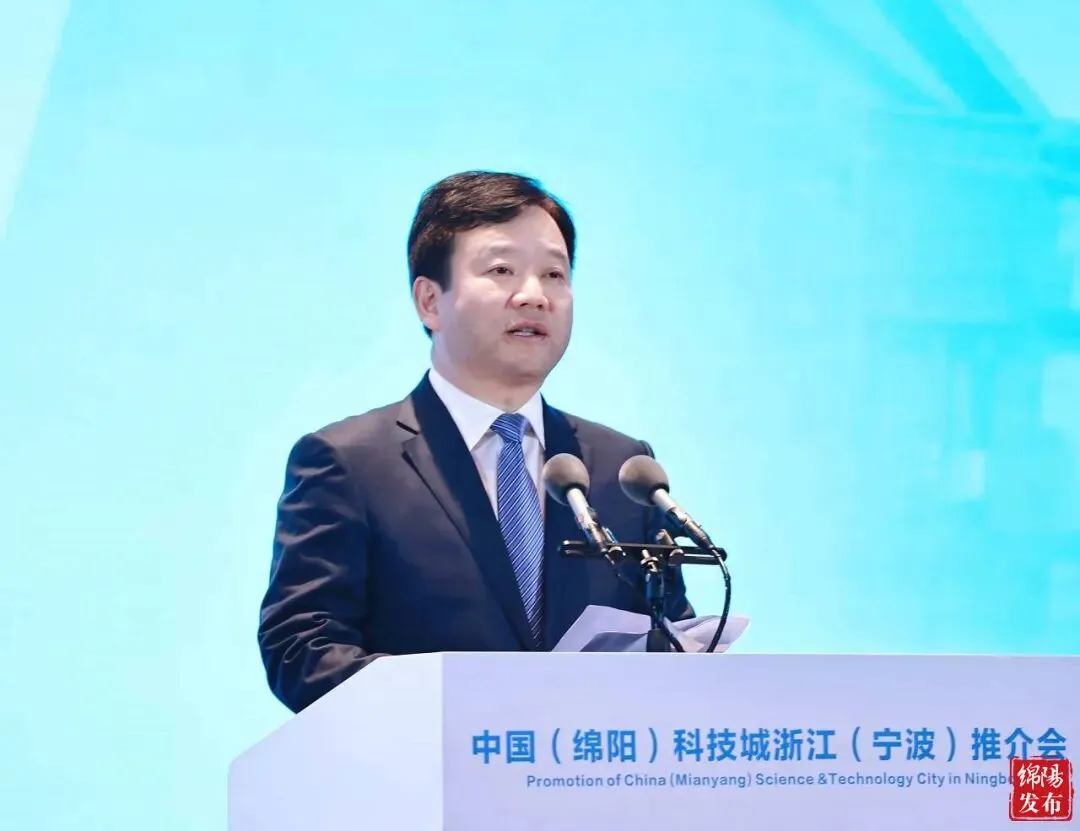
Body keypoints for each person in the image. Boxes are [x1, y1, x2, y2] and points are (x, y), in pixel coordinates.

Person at [258, 171, 695, 713]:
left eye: (554, 274)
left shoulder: (623, 470)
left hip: (592, 765)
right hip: (423, 762)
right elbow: (303, 652)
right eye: (501, 270)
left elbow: (672, 642)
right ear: (430, 301)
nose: (534, 295)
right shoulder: (349, 464)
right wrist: (475, 703)